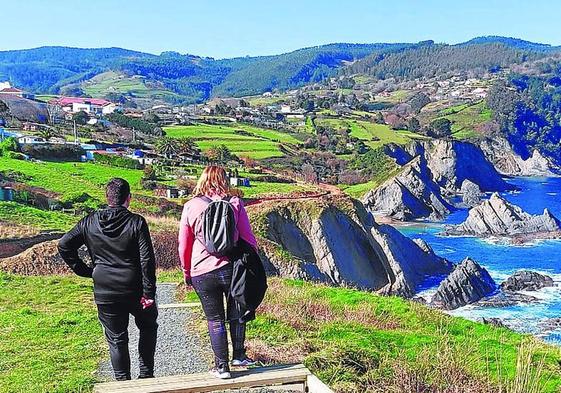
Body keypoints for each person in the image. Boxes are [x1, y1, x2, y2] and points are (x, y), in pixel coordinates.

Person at [58, 178, 158, 381]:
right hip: (135, 288)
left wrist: (85, 270)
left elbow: (64, 245)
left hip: (105, 288)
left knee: (116, 338)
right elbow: (147, 259)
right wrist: (149, 293)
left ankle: (122, 383)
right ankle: (146, 376)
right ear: (129, 198)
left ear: (107, 197)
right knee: (148, 327)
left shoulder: (89, 221)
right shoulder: (136, 222)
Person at [178, 166, 258, 379]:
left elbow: (183, 244)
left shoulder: (191, 206)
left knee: (215, 319)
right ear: (224, 180)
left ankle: (222, 367)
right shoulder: (234, 203)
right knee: (236, 313)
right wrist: (253, 262)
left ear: (202, 180)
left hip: (201, 271)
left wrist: (186, 271)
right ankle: (239, 356)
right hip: (232, 268)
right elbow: (248, 238)